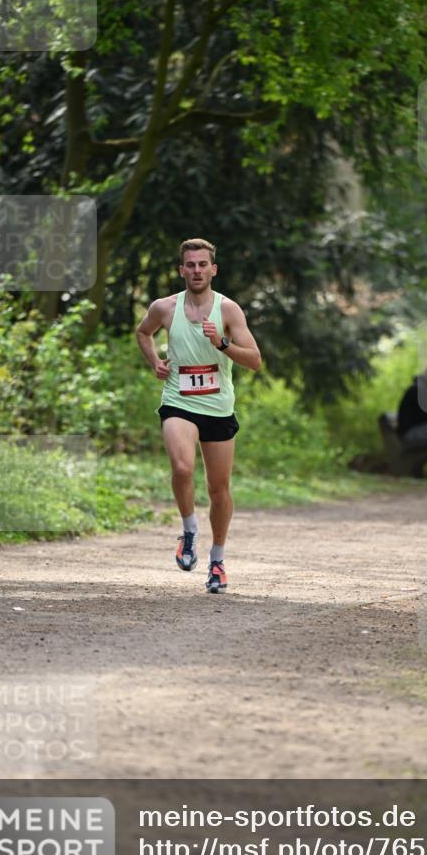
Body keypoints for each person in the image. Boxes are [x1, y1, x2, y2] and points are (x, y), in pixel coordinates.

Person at [136, 238, 261, 593]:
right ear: (181, 270)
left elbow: (255, 360)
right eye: (190, 265)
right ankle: (189, 530)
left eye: (202, 264)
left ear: (213, 269)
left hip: (219, 408)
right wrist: (155, 362)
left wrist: (222, 343)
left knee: (219, 489)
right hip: (179, 400)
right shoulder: (164, 307)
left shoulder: (228, 311)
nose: (196, 270)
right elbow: (143, 332)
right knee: (182, 467)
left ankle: (217, 560)